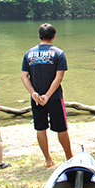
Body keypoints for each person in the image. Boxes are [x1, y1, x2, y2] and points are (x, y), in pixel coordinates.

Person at [21, 23, 73, 167]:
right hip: (54, 97)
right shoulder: (58, 53)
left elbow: (24, 76)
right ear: (54, 36)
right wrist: (48, 95)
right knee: (61, 128)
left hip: (37, 98)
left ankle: (48, 159)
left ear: (39, 36)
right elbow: (59, 77)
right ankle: (69, 157)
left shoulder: (29, 54)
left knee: (40, 128)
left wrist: (33, 93)